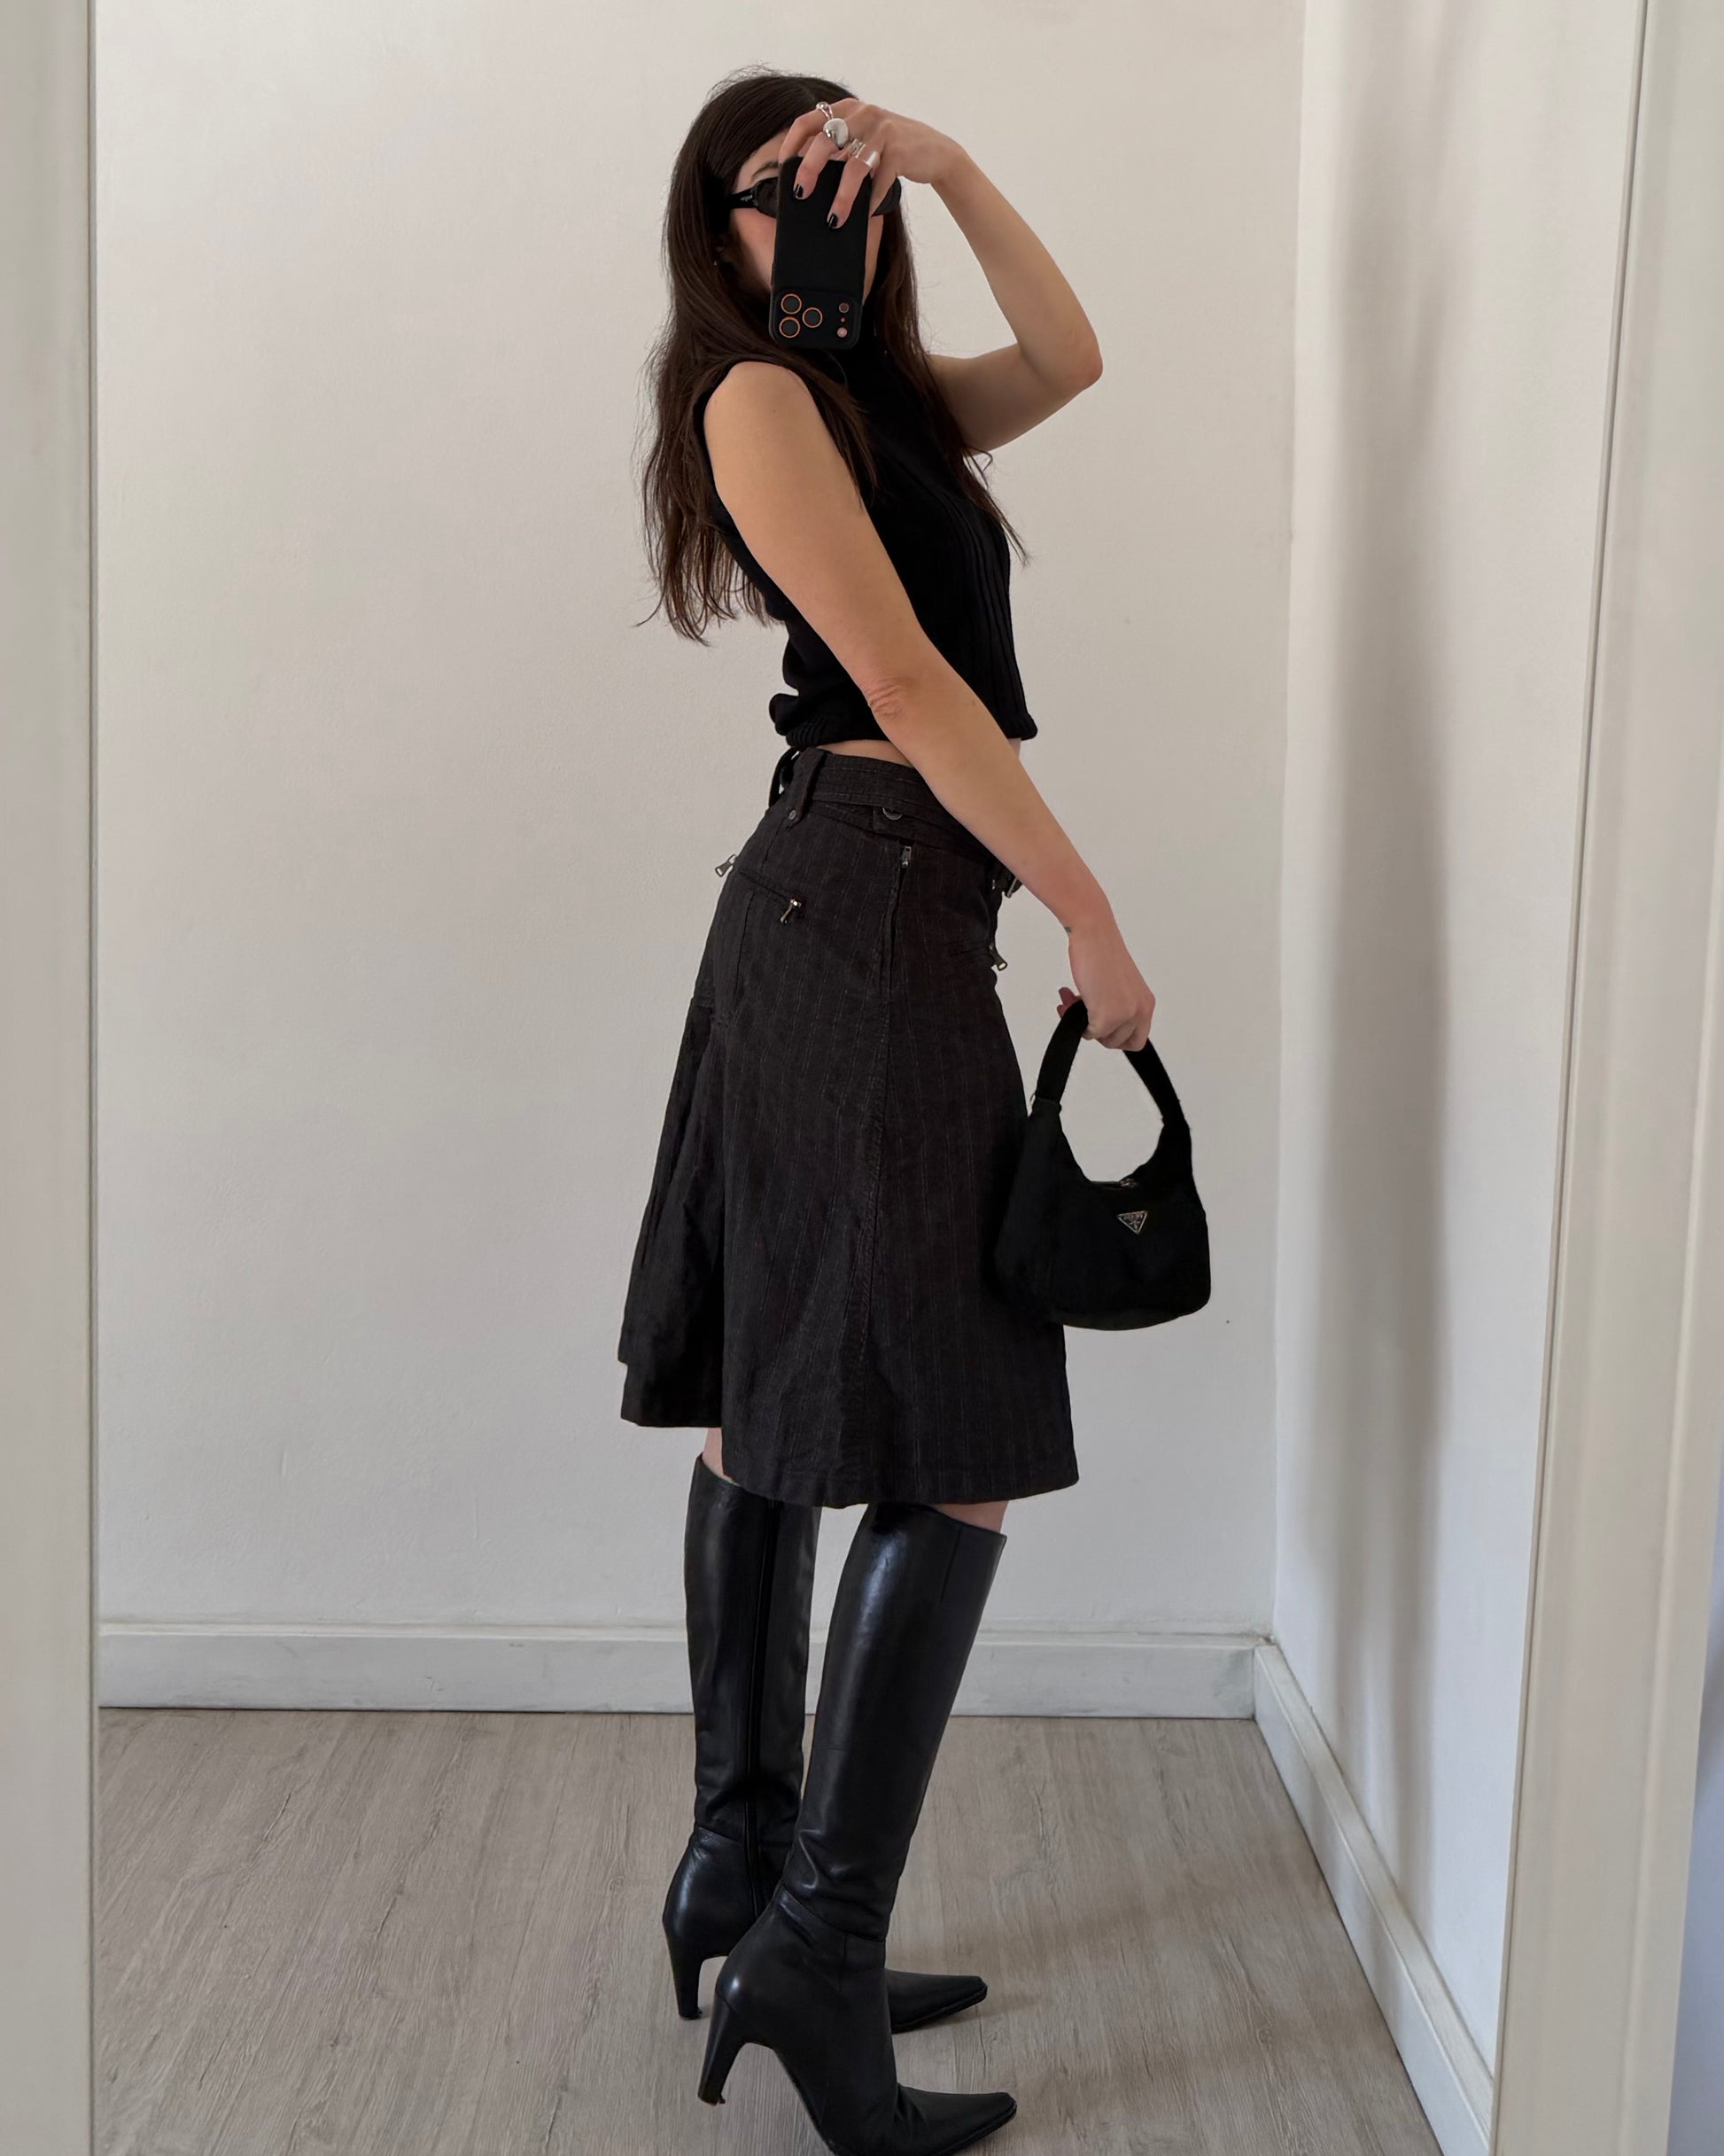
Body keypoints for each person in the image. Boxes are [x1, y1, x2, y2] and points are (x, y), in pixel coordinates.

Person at [619, 66, 1156, 2154]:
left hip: (863, 907)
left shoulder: (884, 400)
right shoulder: (756, 396)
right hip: (858, 902)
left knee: (782, 1402)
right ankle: (815, 1950)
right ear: (714, 228)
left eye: (837, 186)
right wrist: (1089, 908)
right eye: (775, 194)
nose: (813, 222)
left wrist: (949, 162)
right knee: (960, 1441)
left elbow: (1073, 356)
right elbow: (913, 689)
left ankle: (748, 1871)